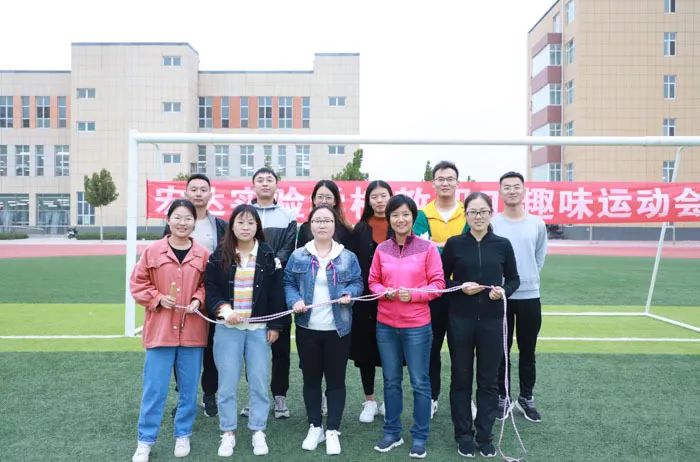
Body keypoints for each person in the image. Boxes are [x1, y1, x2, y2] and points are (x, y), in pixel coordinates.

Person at [204, 204, 290, 457]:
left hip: (258, 330)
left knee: (259, 382)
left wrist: (275, 326)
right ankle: (228, 432)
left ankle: (258, 430)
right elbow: (211, 288)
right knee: (227, 383)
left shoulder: (268, 255)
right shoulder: (219, 255)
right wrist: (224, 310)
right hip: (227, 330)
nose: (245, 227)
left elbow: (277, 293)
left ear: (257, 227)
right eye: (240, 222)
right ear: (232, 226)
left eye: (250, 223)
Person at [129, 199, 209, 462]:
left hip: (192, 331)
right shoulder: (153, 251)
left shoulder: (202, 255)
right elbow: (138, 284)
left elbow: (208, 285)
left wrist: (198, 299)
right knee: (155, 389)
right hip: (161, 331)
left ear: (194, 222)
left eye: (188, 218)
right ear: (168, 219)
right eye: (177, 217)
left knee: (189, 389)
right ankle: (145, 440)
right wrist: (157, 298)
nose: (182, 223)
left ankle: (183, 433)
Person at [441, 192, 520, 458]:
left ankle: (484, 435)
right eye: (473, 212)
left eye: (483, 211)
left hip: (492, 321)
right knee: (461, 378)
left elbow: (514, 279)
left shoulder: (502, 245)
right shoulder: (454, 244)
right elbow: (440, 280)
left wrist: (503, 291)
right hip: (460, 320)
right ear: (466, 215)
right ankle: (463, 435)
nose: (478, 217)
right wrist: (459, 286)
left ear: (490, 213)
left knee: (488, 381)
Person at [369, 194, 445, 459]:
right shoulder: (382, 249)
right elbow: (373, 281)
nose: (400, 219)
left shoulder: (427, 248)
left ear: (413, 217)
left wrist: (412, 294)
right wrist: (384, 291)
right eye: (395, 215)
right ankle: (392, 432)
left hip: (417, 326)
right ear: (389, 218)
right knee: (391, 381)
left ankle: (420, 436)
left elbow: (438, 284)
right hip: (386, 326)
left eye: (405, 214)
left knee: (420, 382)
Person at [284, 205, 363, 455]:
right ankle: (315, 426)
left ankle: (332, 430)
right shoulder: (298, 255)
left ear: (334, 225)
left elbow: (358, 282)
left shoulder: (347, 256)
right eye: (317, 220)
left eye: (327, 220)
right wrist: (295, 299)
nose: (322, 225)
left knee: (336, 380)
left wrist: (349, 293)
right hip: (307, 328)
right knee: (311, 379)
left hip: (337, 330)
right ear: (310, 225)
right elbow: (288, 282)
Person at [164, 173, 227, 418]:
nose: (198, 193)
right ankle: (184, 397)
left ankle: (209, 394)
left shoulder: (219, 225)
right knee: (180, 348)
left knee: (212, 349)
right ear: (186, 193)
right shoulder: (175, 224)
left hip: (211, 296)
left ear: (210, 194)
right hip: (181, 297)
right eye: (194, 189)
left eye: (203, 189)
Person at [413, 160, 468, 419]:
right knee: (431, 349)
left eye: (450, 178)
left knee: (462, 350)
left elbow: (468, 247)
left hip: (463, 291)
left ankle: (464, 400)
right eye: (440, 179)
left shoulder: (468, 212)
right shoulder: (422, 214)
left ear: (457, 182)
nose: (445, 183)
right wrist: (452, 246)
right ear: (433, 183)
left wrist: (438, 245)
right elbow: (421, 249)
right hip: (433, 292)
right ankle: (432, 397)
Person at [492, 171, 547, 423]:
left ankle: (526, 397)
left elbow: (539, 257)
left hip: (530, 297)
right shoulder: (494, 223)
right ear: (500, 192)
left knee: (528, 351)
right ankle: (502, 397)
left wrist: (527, 278)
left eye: (516, 187)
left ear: (524, 191)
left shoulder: (537, 224)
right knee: (501, 351)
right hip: (501, 296)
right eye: (507, 187)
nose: (512, 191)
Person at [250, 167, 297, 419]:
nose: (265, 183)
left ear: (277, 185)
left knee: (280, 346)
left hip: (278, 284)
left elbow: (289, 247)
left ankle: (280, 396)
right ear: (253, 185)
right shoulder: (244, 214)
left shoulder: (288, 216)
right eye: (260, 180)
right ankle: (256, 397)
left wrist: (271, 264)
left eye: (269, 180)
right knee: (252, 346)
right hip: (248, 287)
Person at [349, 180, 393, 423]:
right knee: (365, 352)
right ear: (367, 201)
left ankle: (388, 399)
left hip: (393, 299)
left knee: (389, 351)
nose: (379, 200)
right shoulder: (360, 229)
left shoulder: (399, 225)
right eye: (374, 196)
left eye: (383, 195)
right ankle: (370, 401)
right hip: (365, 300)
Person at [297, 180, 353, 249]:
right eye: (320, 197)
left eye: (328, 197)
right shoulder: (305, 228)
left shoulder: (345, 229)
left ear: (335, 201)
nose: (324, 201)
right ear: (314, 200)